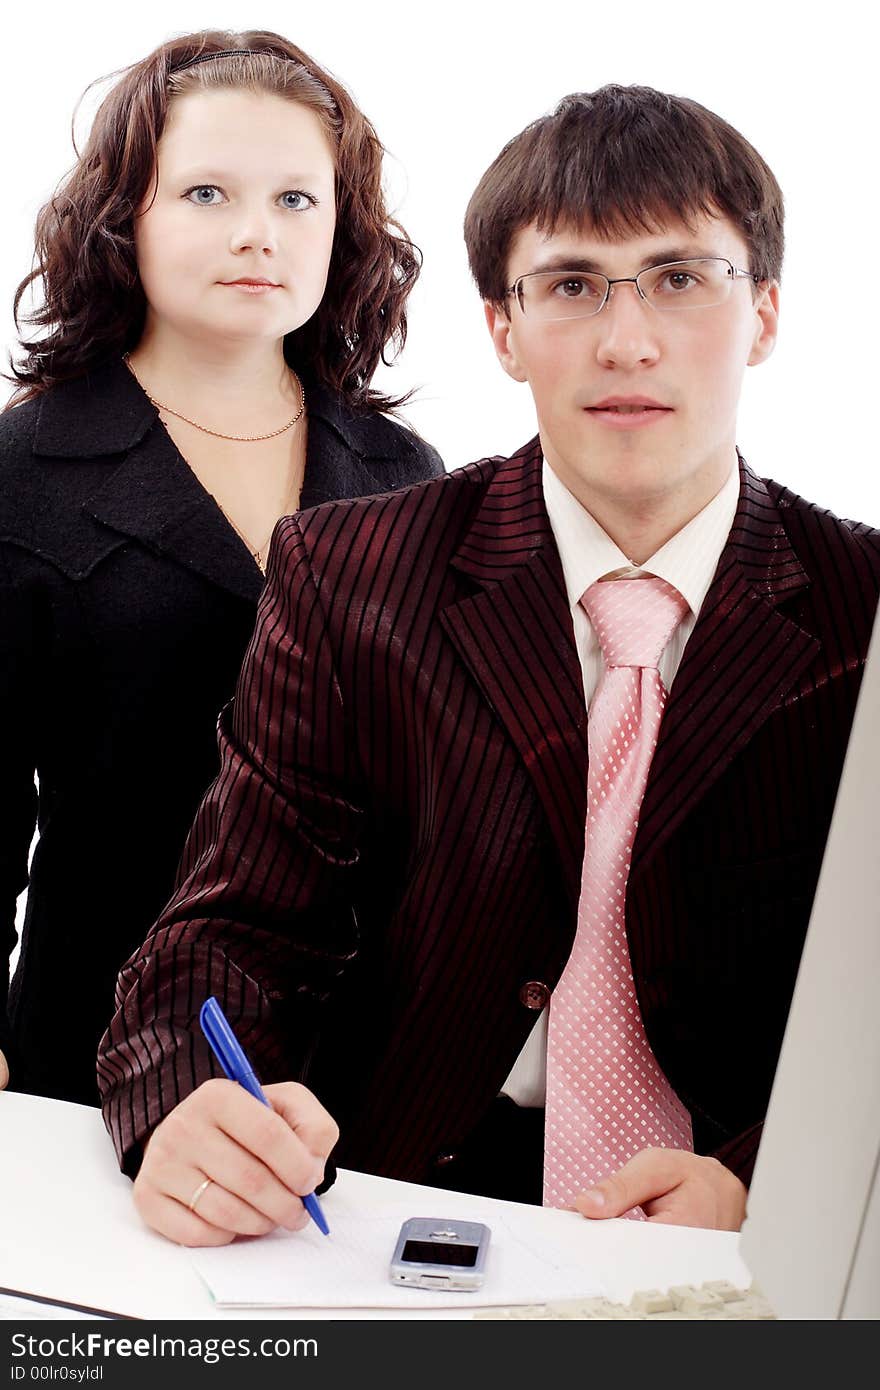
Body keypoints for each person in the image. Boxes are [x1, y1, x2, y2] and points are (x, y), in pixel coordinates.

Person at [98, 85, 879, 1246]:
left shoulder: (863, 608)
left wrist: (771, 1180)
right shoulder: (352, 572)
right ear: (502, 330)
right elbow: (231, 930)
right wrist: (184, 1108)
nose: (626, 339)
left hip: (736, 1206)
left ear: (763, 313)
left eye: (679, 278)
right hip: (391, 1192)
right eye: (570, 285)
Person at [0, 30, 443, 1107]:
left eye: (297, 200)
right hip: (85, 1047)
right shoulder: (26, 468)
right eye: (206, 193)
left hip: (346, 1066)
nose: (257, 234)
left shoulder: (402, 472)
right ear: (125, 218)